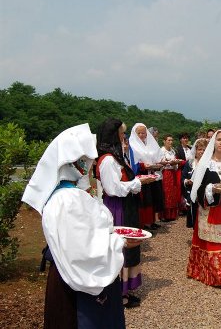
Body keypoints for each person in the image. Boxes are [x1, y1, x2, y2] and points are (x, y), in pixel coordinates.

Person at [22, 123, 137, 329]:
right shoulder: (69, 200)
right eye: (89, 160)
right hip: (78, 290)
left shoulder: (62, 194)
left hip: (64, 277)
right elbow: (84, 253)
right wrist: (118, 242)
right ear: (76, 163)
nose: (92, 165)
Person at [96, 118, 147, 308]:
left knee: (129, 246)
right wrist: (138, 183)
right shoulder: (108, 160)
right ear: (114, 136)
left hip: (125, 204)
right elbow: (113, 189)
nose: (124, 137)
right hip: (117, 207)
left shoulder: (115, 157)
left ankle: (126, 288)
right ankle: (119, 293)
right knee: (121, 248)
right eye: (121, 134)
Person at [187, 129, 221, 295]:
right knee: (210, 242)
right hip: (209, 210)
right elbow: (197, 190)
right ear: (214, 142)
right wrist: (211, 189)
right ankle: (209, 274)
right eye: (218, 139)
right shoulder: (205, 164)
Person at [129, 123, 163, 230]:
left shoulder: (150, 144)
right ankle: (144, 223)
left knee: (152, 199)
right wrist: (144, 165)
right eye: (139, 133)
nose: (142, 135)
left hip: (152, 175)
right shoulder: (132, 145)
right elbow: (132, 162)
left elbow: (157, 156)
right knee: (144, 201)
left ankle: (152, 220)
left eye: (143, 133)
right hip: (141, 176)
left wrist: (158, 164)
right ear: (135, 133)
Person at [181, 138, 208, 228]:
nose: (202, 152)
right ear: (195, 150)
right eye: (200, 149)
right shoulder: (189, 163)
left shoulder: (209, 164)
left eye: (204, 149)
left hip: (204, 195)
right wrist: (187, 181)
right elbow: (183, 177)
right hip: (192, 193)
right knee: (194, 215)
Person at [160, 134, 180, 221]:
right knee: (166, 192)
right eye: (169, 140)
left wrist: (175, 163)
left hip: (173, 172)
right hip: (166, 172)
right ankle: (164, 215)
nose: (170, 142)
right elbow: (161, 162)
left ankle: (172, 214)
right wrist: (169, 163)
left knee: (173, 192)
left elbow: (175, 162)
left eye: (171, 140)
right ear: (164, 141)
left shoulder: (172, 151)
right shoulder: (162, 151)